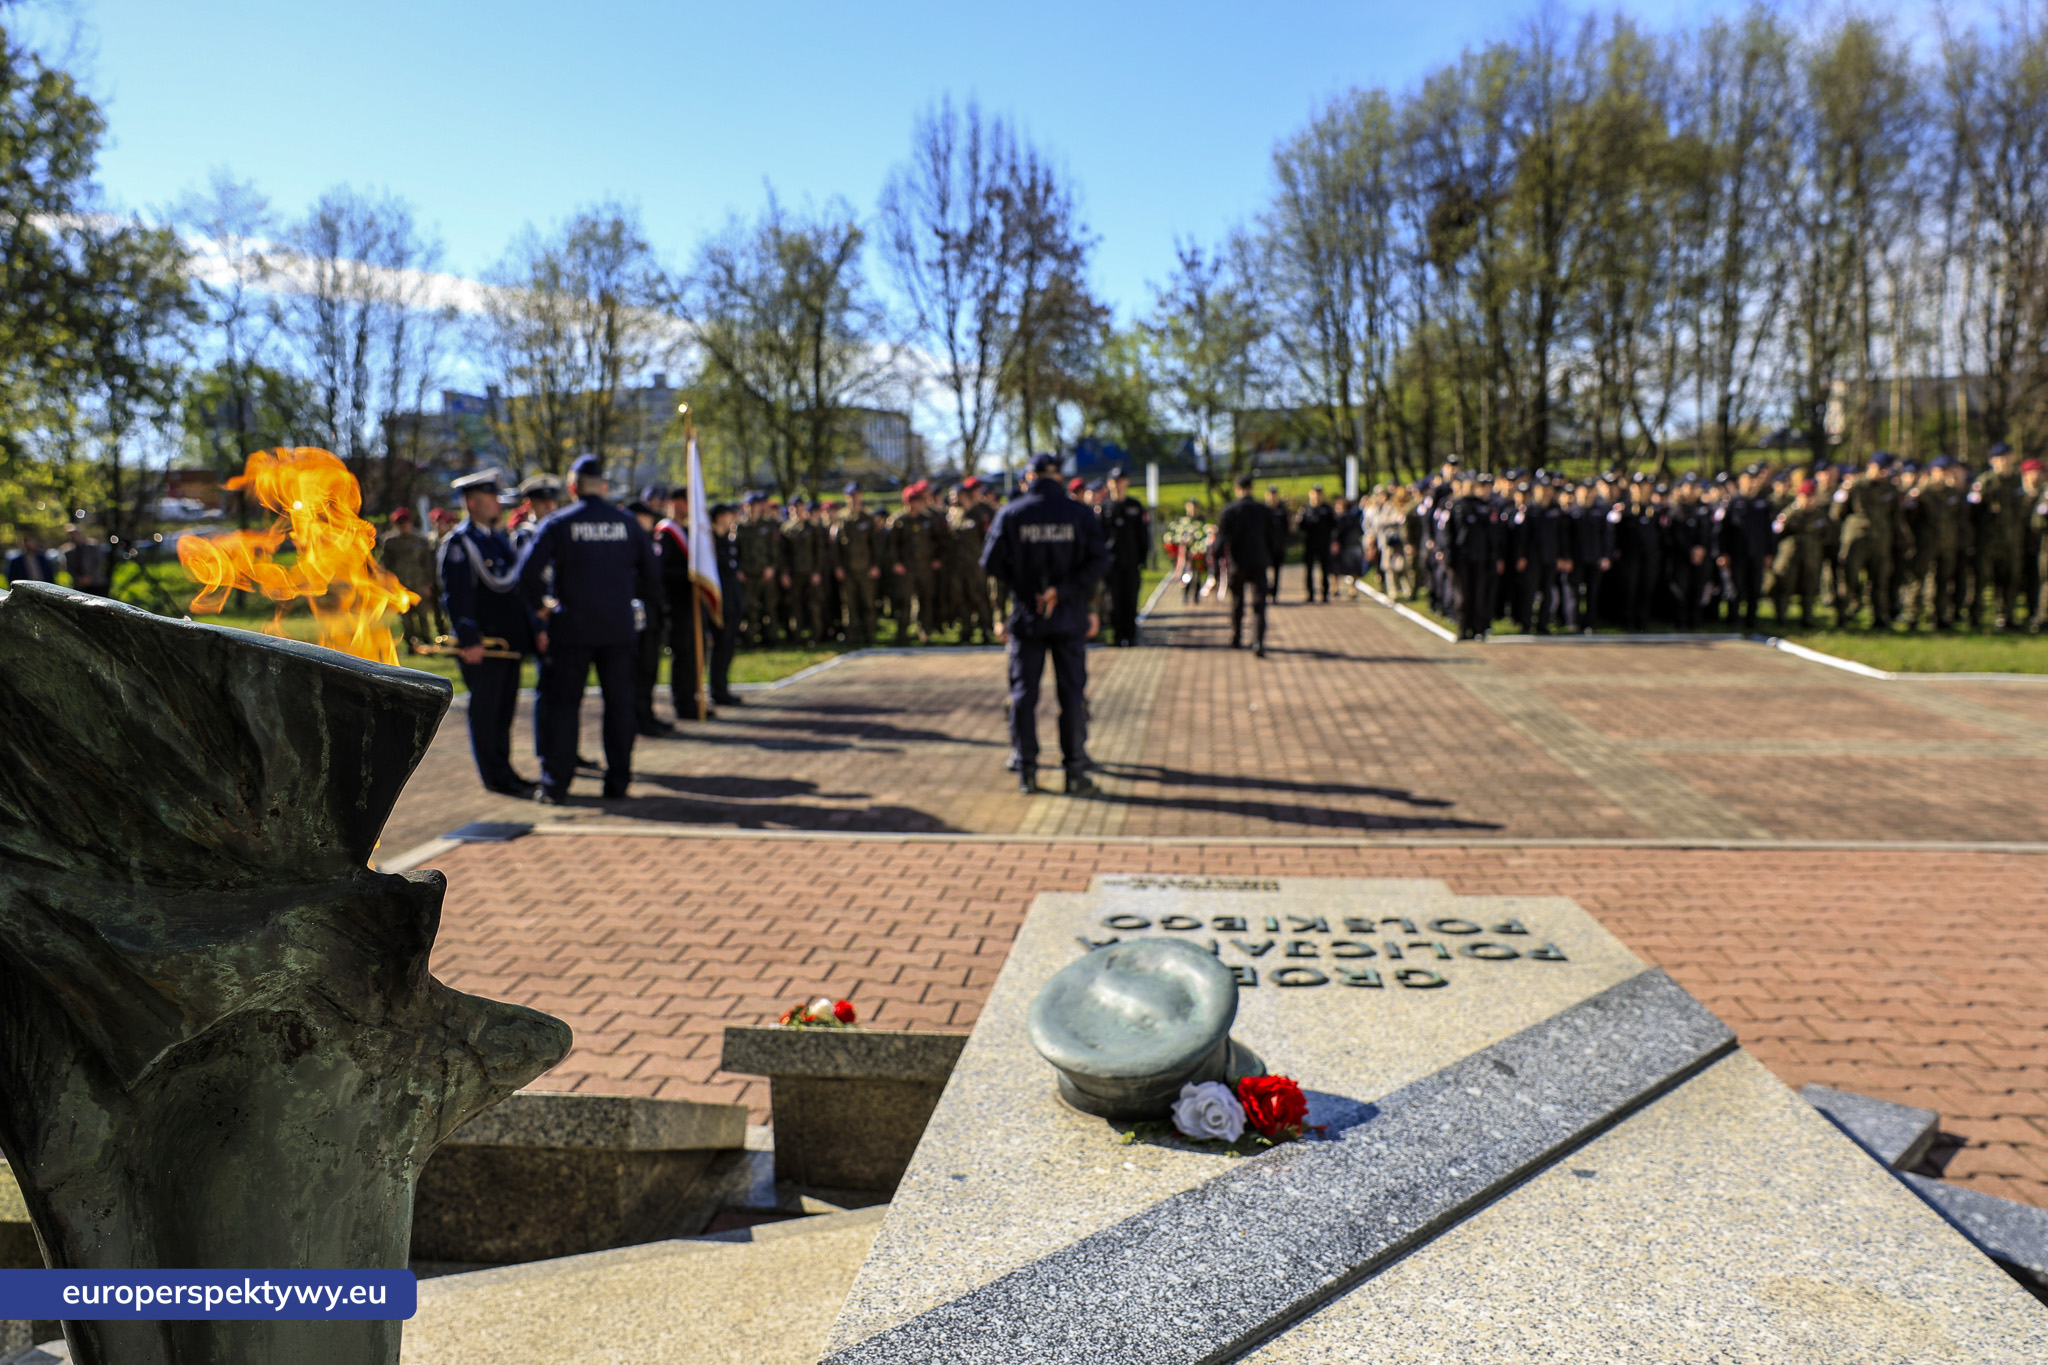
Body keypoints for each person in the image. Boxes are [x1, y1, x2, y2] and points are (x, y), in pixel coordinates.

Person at [516, 454, 661, 804]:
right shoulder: (627, 523)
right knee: (619, 706)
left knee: (564, 707)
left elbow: (526, 574)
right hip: (618, 629)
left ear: (572, 488)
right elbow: (652, 576)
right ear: (604, 487)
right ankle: (618, 782)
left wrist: (542, 607)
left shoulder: (559, 522)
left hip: (572, 628)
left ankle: (557, 784)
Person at [981, 453, 1111, 796]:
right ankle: (1074, 771)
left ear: (1029, 478)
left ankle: (1027, 770)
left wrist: (1028, 590)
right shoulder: (1078, 513)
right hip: (1068, 615)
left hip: (1029, 615)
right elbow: (1099, 561)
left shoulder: (1012, 513)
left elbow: (991, 562)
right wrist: (1062, 591)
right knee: (1071, 695)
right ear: (1059, 478)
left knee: (1024, 696)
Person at [437, 469, 542, 797]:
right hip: (483, 644)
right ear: (472, 502)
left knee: (504, 711)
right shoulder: (460, 543)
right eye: (492, 497)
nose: (499, 503)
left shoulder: (496, 539)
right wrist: (469, 639)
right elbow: (457, 596)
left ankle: (506, 770)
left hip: (506, 643)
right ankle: (495, 776)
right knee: (487, 712)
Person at [653, 490, 704, 723]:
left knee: (693, 653)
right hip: (675, 603)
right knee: (682, 653)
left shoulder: (688, 531)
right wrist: (688, 575)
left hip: (691, 603)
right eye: (687, 502)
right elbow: (662, 570)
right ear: (676, 503)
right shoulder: (666, 532)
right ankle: (683, 702)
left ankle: (694, 698)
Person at [626, 496, 675, 738]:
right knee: (640, 669)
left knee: (650, 668)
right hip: (638, 615)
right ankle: (638, 717)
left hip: (653, 613)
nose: (650, 522)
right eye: (646, 517)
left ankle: (647, 714)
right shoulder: (629, 544)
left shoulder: (647, 541)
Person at [1218, 475, 1274, 656]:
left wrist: (1216, 564)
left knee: (1237, 602)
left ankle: (1237, 637)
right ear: (1251, 488)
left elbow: (1221, 539)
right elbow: (1274, 537)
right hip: (1259, 562)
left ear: (1237, 489)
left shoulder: (1230, 510)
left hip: (1238, 563)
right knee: (1259, 604)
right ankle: (1258, 641)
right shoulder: (1263, 510)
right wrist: (1270, 557)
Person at [379, 508, 444, 652]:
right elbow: (386, 565)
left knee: (423, 614)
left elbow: (427, 564)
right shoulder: (390, 542)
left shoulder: (420, 540)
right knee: (405, 617)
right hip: (400, 585)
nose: (404, 527)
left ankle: (427, 641)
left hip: (419, 583)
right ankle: (411, 644)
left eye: (406, 524)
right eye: (400, 525)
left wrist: (428, 583)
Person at [1098, 466, 1150, 645]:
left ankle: (1131, 635)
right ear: (1109, 483)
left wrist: (1142, 558)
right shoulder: (1104, 508)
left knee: (1130, 598)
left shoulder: (1134, 506)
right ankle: (1118, 635)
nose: (1118, 485)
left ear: (1126, 482)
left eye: (1121, 481)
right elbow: (1099, 538)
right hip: (1112, 564)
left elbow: (1143, 535)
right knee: (1113, 601)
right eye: (1114, 481)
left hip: (1131, 562)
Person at [708, 502, 746, 704]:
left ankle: (723, 688)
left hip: (733, 603)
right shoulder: (710, 542)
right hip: (721, 604)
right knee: (721, 647)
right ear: (720, 517)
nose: (733, 518)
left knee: (728, 647)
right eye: (730, 515)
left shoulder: (727, 540)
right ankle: (718, 690)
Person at [1298, 486, 1336, 602]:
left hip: (1324, 543)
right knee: (1309, 569)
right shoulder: (1306, 509)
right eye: (1315, 494)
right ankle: (1310, 594)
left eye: (1319, 494)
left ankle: (1325, 593)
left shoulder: (1327, 509)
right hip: (1310, 543)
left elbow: (1334, 525)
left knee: (1325, 569)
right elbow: (1301, 527)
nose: (1317, 497)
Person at [60, 525, 110, 596]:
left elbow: (99, 562)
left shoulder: (92, 546)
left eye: (74, 534)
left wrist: (90, 577)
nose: (73, 537)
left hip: (96, 583)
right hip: (80, 585)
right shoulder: (68, 552)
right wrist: (78, 579)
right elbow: (69, 568)